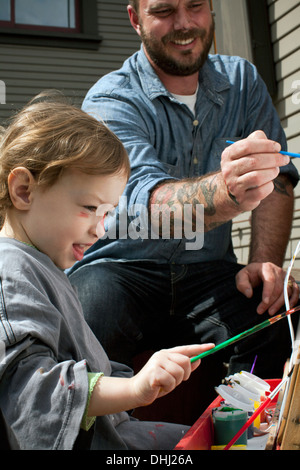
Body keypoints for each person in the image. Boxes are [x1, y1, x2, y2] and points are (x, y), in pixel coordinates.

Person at [68, 0, 299, 388]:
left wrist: (263, 263)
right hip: (118, 269)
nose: (184, 24)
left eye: (195, 6)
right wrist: (226, 192)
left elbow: (278, 179)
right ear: (134, 19)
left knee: (278, 318)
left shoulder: (243, 81)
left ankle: (243, 438)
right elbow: (143, 203)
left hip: (208, 270)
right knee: (84, 320)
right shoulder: (110, 99)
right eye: (163, 11)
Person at [0, 91, 215, 450]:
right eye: (89, 207)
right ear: (24, 190)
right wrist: (133, 389)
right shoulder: (11, 272)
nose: (100, 230)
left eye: (108, 212)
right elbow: (35, 390)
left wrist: (145, 375)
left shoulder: (42, 263)